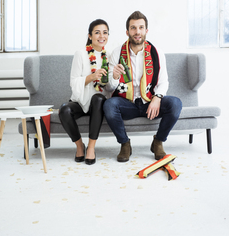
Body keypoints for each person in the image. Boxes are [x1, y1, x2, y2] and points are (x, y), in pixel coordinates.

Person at [103, 11, 182, 162]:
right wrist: (114, 76)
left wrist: (157, 98)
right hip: (127, 104)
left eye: (141, 27)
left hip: (149, 103)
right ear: (127, 32)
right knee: (109, 105)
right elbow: (108, 88)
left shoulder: (157, 53)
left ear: (146, 31)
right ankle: (125, 144)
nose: (137, 32)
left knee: (175, 103)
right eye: (133, 28)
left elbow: (163, 82)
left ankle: (158, 142)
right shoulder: (117, 53)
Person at [59, 19, 111, 165]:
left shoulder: (109, 57)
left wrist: (112, 78)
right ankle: (80, 146)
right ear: (90, 36)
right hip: (80, 101)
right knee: (64, 110)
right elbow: (73, 82)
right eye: (97, 32)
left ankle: (91, 148)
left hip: (98, 105)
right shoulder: (80, 54)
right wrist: (91, 77)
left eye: (105, 32)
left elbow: (110, 87)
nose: (102, 36)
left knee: (98, 98)